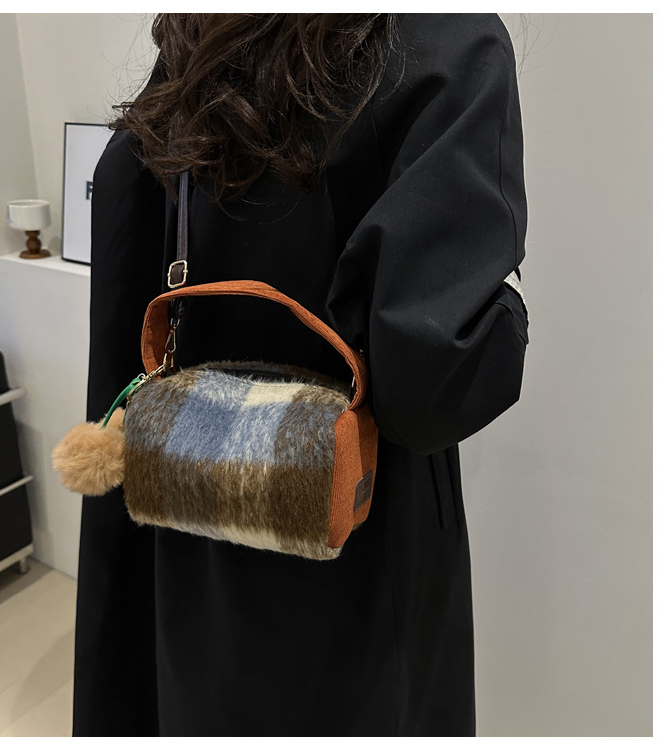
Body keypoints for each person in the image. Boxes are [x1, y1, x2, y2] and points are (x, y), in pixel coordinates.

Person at [72, 13, 529, 737]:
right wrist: (505, 311)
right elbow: (429, 380)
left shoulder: (203, 36)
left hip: (184, 511)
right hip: (360, 545)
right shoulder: (445, 39)